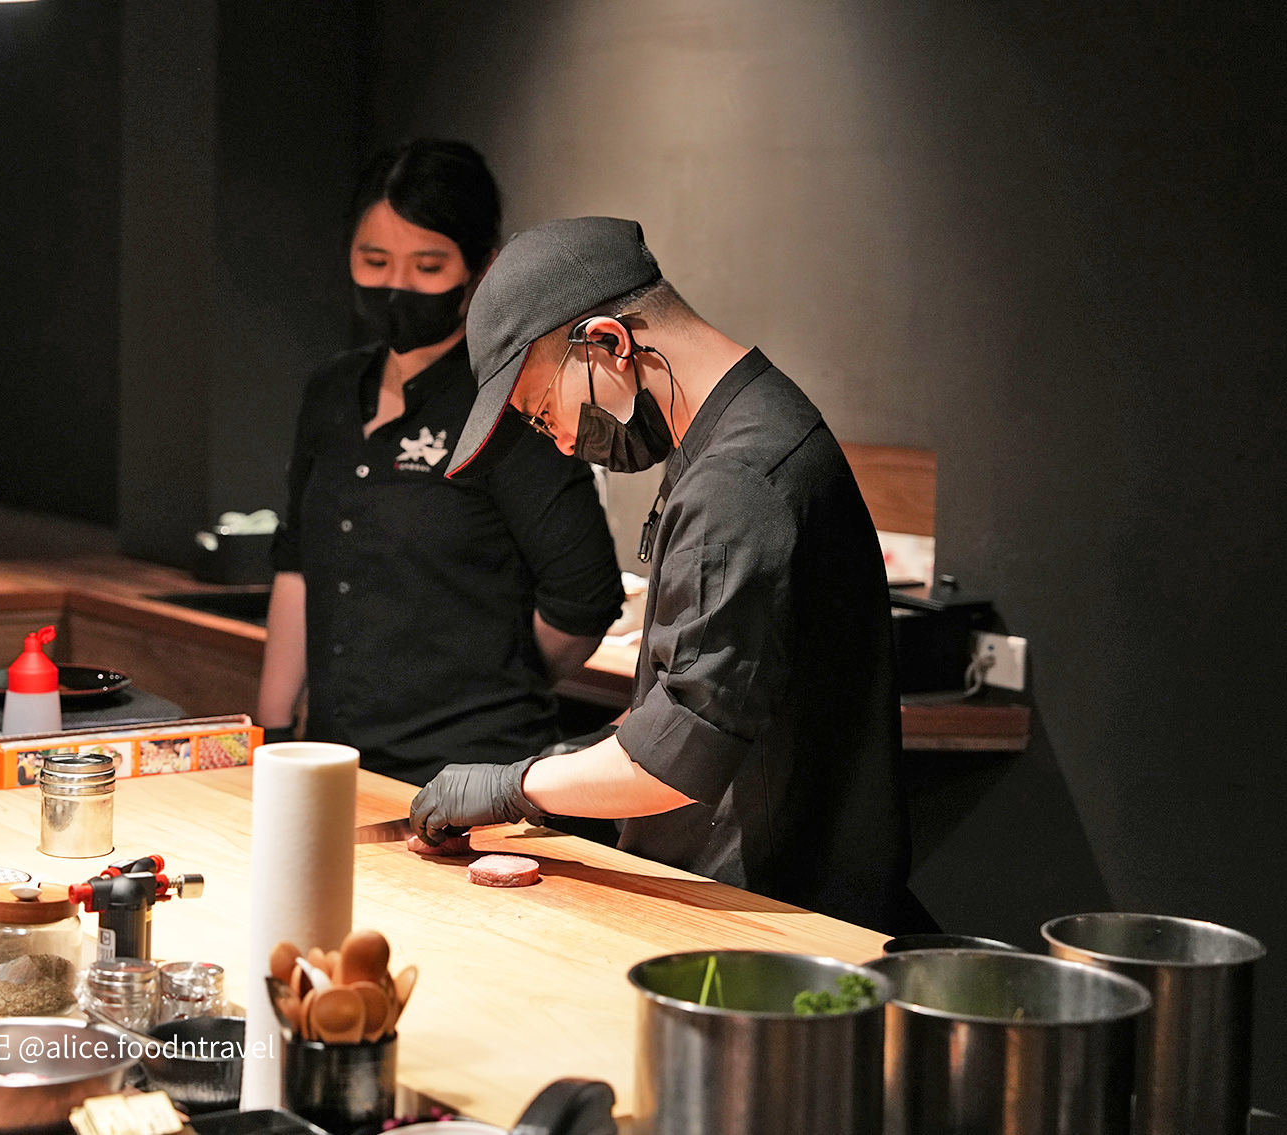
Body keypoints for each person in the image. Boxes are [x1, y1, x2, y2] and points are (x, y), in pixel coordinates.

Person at [410, 216, 915, 930]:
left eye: (543, 413)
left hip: (769, 921)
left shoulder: (737, 481)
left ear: (608, 344)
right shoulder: (743, 427)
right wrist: (571, 760)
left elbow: (677, 755)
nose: (562, 443)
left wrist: (513, 784)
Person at [257, 144, 624, 788]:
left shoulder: (510, 401)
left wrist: (498, 676)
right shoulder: (331, 390)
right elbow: (298, 562)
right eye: (375, 261)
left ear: (481, 269)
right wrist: (274, 732)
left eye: (428, 266)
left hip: (470, 775)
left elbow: (584, 597)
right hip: (335, 761)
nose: (396, 286)